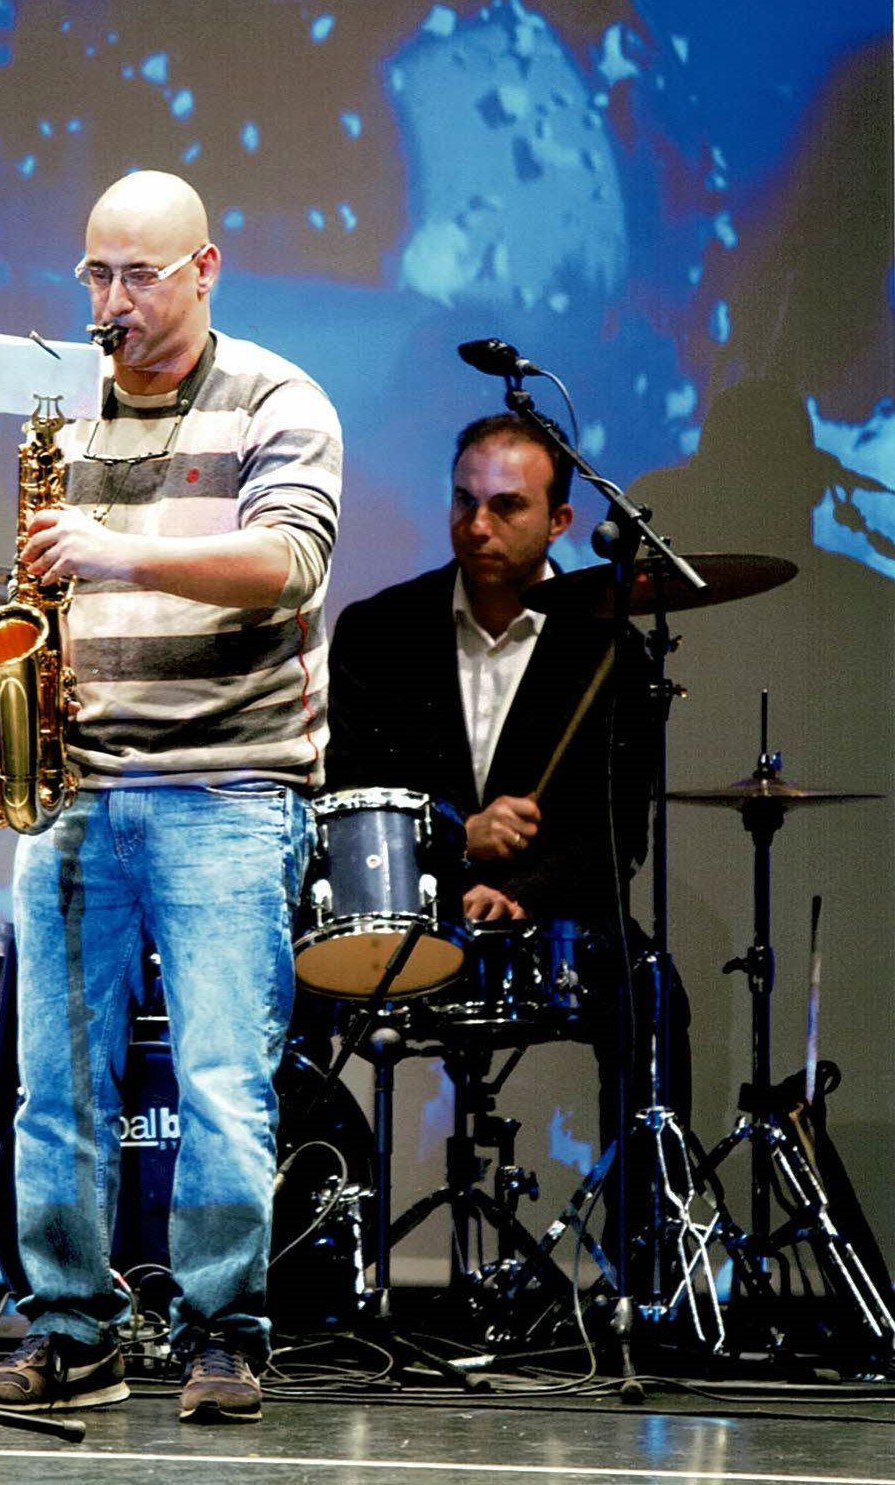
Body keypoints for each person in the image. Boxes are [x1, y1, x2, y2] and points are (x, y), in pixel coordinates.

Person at [0, 170, 341, 1422]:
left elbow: (287, 567)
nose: (111, 303)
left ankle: (223, 1331)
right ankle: (71, 1327)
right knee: (54, 1087)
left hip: (226, 785)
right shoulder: (57, 385)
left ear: (206, 268)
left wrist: (119, 547)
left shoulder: (279, 395)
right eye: (95, 273)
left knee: (226, 1081)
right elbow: (40, 555)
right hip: (75, 780)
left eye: (139, 275)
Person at [323, 412, 685, 1285]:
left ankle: (645, 1276)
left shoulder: (613, 651)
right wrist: (458, 837)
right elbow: (346, 793)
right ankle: (314, 1268)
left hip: (550, 920)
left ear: (559, 521)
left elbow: (617, 832)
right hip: (408, 917)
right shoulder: (378, 629)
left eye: (504, 506)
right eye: (463, 501)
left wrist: (522, 888)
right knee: (285, 999)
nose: (475, 525)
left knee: (652, 994)